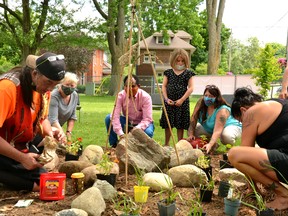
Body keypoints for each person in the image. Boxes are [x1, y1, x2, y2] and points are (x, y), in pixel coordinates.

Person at [0, 52, 66, 191]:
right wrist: (22, 158)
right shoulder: (7, 88)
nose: (50, 89)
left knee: (43, 178)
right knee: (38, 185)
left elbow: (42, 119)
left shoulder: (43, 90)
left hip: (17, 144)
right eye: (48, 82)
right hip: (4, 145)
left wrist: (49, 133)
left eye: (55, 85)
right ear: (35, 74)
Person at [229, 87, 288, 210]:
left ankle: (284, 196)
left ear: (243, 110)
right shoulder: (278, 103)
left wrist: (252, 188)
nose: (242, 124)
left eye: (240, 120)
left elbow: (244, 152)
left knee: (234, 154)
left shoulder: (251, 113)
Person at [187, 85, 242, 153]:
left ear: (217, 98)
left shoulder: (222, 110)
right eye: (206, 95)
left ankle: (230, 150)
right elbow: (194, 118)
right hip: (212, 128)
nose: (207, 98)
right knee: (194, 129)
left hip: (229, 126)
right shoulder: (201, 102)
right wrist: (191, 134)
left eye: (211, 96)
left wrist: (210, 144)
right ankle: (213, 145)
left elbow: (217, 130)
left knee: (226, 136)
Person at [105, 74, 155, 148]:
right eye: (127, 86)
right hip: (127, 122)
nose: (129, 89)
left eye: (133, 86)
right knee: (108, 118)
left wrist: (135, 130)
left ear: (138, 86)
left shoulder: (145, 97)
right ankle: (114, 145)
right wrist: (121, 134)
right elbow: (115, 116)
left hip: (142, 124)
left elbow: (147, 119)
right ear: (124, 87)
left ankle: (141, 148)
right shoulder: (120, 96)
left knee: (148, 132)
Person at [160, 48, 195, 146]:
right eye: (178, 61)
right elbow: (164, 86)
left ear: (186, 61)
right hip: (169, 102)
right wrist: (166, 99)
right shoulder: (168, 72)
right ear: (173, 60)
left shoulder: (188, 73)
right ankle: (166, 144)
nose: (180, 63)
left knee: (180, 125)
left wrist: (182, 99)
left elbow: (191, 88)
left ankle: (179, 145)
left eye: (182, 61)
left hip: (182, 103)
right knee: (168, 124)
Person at [48, 72, 79, 142]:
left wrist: (68, 133)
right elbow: (53, 120)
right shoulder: (54, 96)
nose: (69, 87)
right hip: (47, 129)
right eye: (67, 85)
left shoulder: (74, 95)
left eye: (72, 85)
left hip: (57, 129)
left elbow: (72, 116)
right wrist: (62, 134)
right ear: (61, 84)